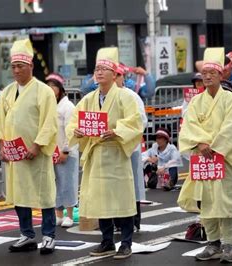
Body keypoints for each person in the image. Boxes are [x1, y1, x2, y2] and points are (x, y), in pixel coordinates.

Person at [66, 47, 143, 260]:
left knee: (122, 200)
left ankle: (126, 242)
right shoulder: (89, 98)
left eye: (104, 69)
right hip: (96, 154)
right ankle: (107, 240)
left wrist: (117, 131)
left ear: (114, 73)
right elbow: (74, 121)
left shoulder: (124, 97)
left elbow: (135, 122)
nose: (99, 73)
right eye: (97, 69)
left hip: (116, 152)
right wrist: (77, 131)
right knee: (101, 201)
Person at [0, 39, 58, 254]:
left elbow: (49, 122)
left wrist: (37, 146)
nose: (16, 70)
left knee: (44, 195)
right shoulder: (8, 91)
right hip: (14, 155)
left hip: (36, 154)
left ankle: (48, 236)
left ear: (31, 67)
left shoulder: (43, 91)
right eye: (13, 66)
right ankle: (26, 235)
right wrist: (1, 146)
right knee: (19, 195)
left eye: (21, 66)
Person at [178, 47, 232, 263]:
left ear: (221, 75)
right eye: (204, 73)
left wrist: (214, 147)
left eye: (212, 73)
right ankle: (212, 242)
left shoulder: (231, 100)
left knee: (226, 201)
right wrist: (200, 143)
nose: (207, 76)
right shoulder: (196, 101)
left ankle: (229, 244)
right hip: (202, 157)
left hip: (222, 158)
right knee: (207, 202)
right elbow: (188, 126)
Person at [115, 63, 148, 231]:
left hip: (130, 148)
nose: (115, 78)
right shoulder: (99, 97)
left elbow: (141, 121)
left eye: (118, 75)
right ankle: (116, 222)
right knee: (113, 185)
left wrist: (123, 133)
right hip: (111, 149)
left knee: (132, 184)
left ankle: (134, 221)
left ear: (123, 77)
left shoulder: (132, 96)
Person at [46, 73, 79, 229]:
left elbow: (70, 131)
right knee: (55, 184)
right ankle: (58, 214)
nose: (50, 89)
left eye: (53, 86)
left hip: (66, 152)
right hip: (51, 152)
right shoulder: (49, 106)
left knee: (67, 183)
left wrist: (65, 150)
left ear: (60, 89)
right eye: (48, 86)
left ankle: (70, 215)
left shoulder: (68, 107)